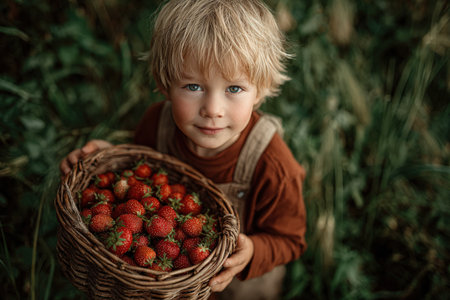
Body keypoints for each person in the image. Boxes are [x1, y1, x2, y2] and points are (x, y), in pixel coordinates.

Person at [60, 0, 307, 299]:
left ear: (260, 90)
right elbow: (140, 178)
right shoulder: (156, 123)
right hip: (168, 284)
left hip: (239, 282)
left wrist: (254, 251)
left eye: (234, 89)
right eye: (193, 86)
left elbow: (291, 239)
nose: (213, 109)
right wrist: (106, 158)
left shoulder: (273, 164)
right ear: (165, 84)